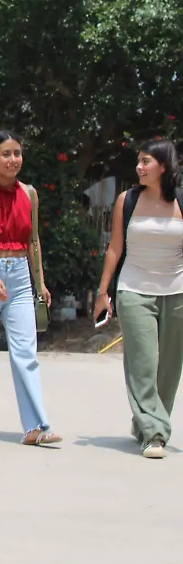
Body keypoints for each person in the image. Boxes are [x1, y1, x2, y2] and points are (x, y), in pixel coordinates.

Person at [0, 132, 59, 446]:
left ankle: (36, 426)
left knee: (26, 352)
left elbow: (33, 241)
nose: (13, 159)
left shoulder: (29, 194)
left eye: (17, 153)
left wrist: (39, 281)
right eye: (6, 153)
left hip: (19, 274)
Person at [94, 139, 183, 460]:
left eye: (146, 162)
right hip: (133, 290)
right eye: (138, 162)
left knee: (170, 368)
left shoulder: (181, 202)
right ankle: (154, 433)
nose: (139, 167)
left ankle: (146, 421)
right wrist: (103, 292)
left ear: (164, 166)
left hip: (177, 291)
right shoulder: (127, 200)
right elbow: (115, 248)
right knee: (143, 364)